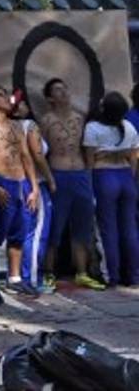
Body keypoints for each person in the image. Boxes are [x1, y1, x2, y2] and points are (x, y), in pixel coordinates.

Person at [39, 78, 105, 291]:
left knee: (82, 226)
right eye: (58, 90)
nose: (64, 93)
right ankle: (48, 272)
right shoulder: (46, 120)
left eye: (65, 88)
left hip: (80, 174)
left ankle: (82, 272)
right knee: (55, 227)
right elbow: (40, 152)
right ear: (50, 98)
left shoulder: (79, 118)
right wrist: (49, 178)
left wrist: (88, 174)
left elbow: (87, 148)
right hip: (59, 174)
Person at [0, 85, 40, 298]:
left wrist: (34, 187)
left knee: (19, 232)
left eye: (7, 95)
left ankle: (14, 278)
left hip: (20, 182)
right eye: (2, 95)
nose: (8, 99)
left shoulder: (16, 126)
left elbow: (25, 156)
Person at [83, 92, 139, 286]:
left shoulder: (92, 128)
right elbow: (134, 158)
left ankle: (111, 275)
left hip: (104, 176)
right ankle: (133, 275)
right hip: (126, 177)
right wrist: (131, 178)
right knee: (130, 228)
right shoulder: (129, 126)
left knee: (107, 229)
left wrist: (90, 188)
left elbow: (89, 162)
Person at [13, 89, 56, 293]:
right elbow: (38, 155)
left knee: (24, 232)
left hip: (16, 182)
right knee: (37, 231)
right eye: (20, 104)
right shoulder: (29, 125)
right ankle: (31, 279)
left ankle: (21, 276)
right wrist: (50, 179)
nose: (24, 106)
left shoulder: (8, 127)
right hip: (34, 182)